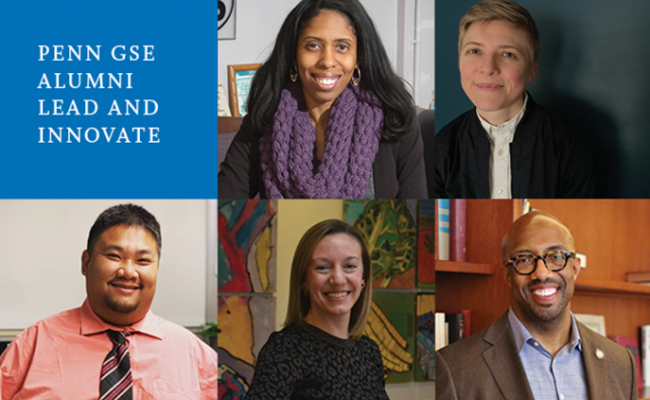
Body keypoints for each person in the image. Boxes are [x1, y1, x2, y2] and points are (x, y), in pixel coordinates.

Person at [0, 204, 217, 399]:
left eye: (143, 260)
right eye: (114, 256)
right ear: (86, 263)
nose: (128, 272)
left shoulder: (197, 356)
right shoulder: (32, 345)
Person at [218, 0, 427, 199]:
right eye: (314, 46)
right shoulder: (264, 117)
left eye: (342, 47)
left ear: (358, 57)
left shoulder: (395, 121)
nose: (327, 61)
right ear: (294, 54)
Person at [436, 211, 638, 400]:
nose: (541, 273)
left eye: (556, 257)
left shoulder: (621, 363)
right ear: (508, 275)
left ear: (575, 269)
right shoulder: (455, 369)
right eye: (524, 259)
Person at [432, 0, 594, 198]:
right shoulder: (442, 145)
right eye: (474, 51)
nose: (488, 67)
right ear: (459, 62)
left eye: (508, 54)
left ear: (531, 71)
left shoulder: (569, 143)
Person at [245, 219, 389, 399]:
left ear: (363, 278)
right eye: (323, 267)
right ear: (304, 280)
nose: (337, 279)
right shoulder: (284, 350)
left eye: (350, 266)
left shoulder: (369, 351)